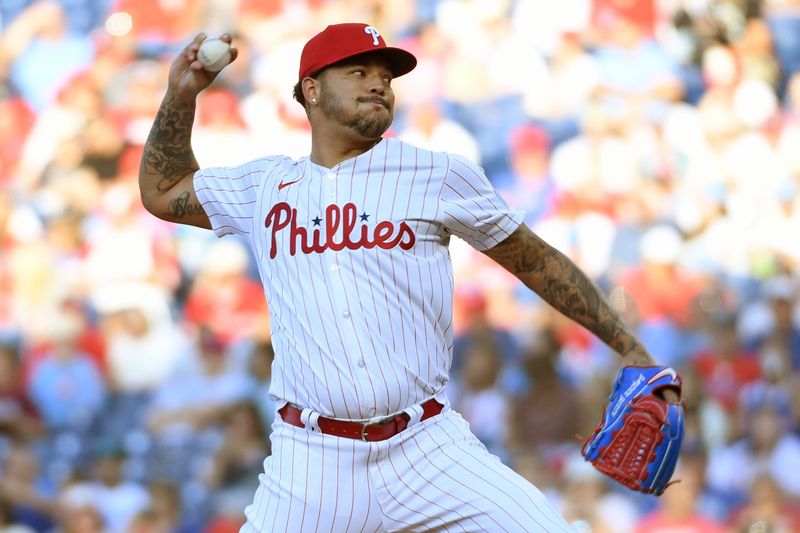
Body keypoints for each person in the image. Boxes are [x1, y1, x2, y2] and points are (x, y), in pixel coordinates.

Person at [138, 22, 675, 532]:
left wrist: (627, 345)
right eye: (358, 70)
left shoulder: (437, 174)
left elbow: (533, 260)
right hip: (311, 463)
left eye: (386, 75)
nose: (378, 82)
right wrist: (182, 95)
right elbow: (163, 193)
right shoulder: (265, 187)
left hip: (428, 448)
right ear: (312, 90)